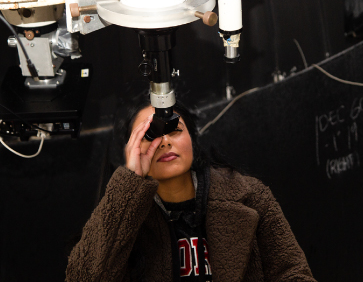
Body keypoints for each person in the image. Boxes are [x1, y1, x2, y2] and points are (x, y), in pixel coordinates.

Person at [66, 95, 316, 282]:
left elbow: (292, 273)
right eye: (150, 135)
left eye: (174, 130)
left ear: (192, 139)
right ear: (130, 150)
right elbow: (82, 277)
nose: (164, 142)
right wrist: (129, 183)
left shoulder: (250, 196)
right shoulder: (120, 216)